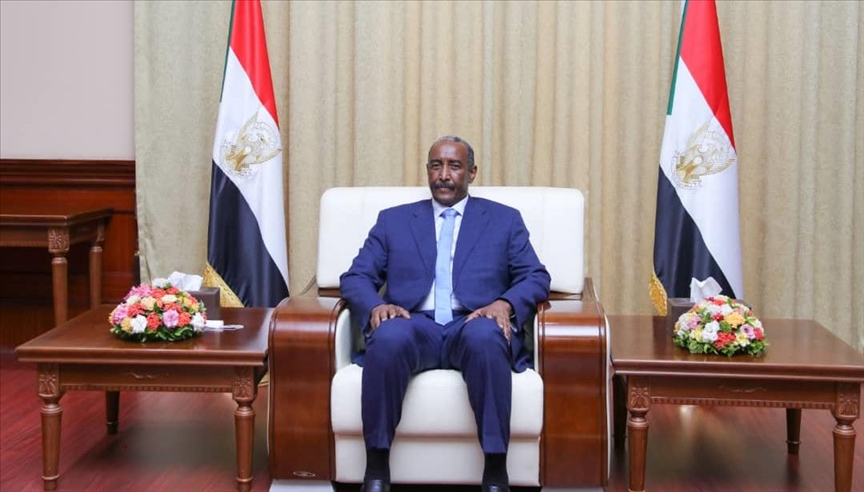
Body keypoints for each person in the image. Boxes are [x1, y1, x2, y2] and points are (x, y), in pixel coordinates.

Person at [340, 135, 551, 492]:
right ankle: (375, 470)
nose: (444, 175)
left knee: (487, 336)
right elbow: (356, 277)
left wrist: (505, 304)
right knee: (388, 336)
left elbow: (535, 276)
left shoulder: (504, 220)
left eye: (454, 166)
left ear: (472, 172)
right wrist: (377, 306)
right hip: (414, 324)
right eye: (436, 166)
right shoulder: (393, 221)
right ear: (427, 171)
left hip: (472, 321)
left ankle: (495, 472)